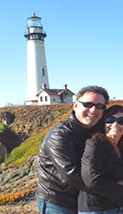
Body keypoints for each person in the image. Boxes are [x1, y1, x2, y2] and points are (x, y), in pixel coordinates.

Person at [36, 85, 110, 214]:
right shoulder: (59, 135)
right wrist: (115, 190)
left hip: (85, 198)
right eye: (87, 104)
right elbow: (72, 175)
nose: (93, 110)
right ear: (75, 106)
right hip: (59, 202)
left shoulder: (99, 131)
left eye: (99, 106)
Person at [78, 105, 123, 214]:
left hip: (122, 206)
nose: (115, 124)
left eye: (122, 121)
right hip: (99, 208)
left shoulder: (122, 146)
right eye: (110, 120)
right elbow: (92, 179)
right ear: (103, 123)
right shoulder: (94, 144)